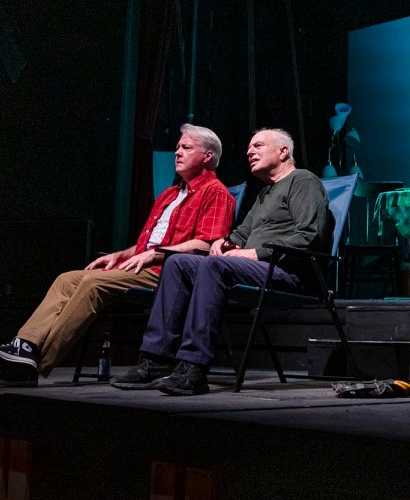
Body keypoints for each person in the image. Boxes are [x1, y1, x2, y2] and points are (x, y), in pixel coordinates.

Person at [0, 124, 236, 386]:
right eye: (177, 147)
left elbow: (208, 244)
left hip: (167, 275)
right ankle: (24, 345)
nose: (177, 152)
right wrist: (119, 255)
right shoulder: (169, 194)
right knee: (67, 278)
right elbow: (147, 244)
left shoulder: (216, 193)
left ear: (207, 155)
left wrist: (156, 255)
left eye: (186, 148)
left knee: (91, 283)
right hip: (138, 267)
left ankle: (36, 362)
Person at [111, 127, 331, 396]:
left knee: (213, 265)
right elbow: (240, 235)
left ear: (283, 152)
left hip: (290, 273)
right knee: (178, 261)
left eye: (258, 145)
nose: (250, 151)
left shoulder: (303, 181)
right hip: (258, 270)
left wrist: (253, 253)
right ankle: (156, 359)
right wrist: (223, 242)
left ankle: (194, 366)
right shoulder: (265, 194)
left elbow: (309, 237)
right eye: (249, 147)